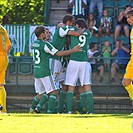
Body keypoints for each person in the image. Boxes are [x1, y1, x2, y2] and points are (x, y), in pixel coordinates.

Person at [29, 26, 81, 114]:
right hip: (44, 71)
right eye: (45, 33)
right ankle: (49, 112)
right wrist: (73, 50)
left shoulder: (34, 43)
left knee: (40, 93)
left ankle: (32, 109)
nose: (47, 34)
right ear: (42, 34)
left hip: (36, 71)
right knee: (54, 91)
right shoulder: (45, 44)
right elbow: (58, 53)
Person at [64, 18, 94, 114]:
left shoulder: (73, 31)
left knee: (71, 86)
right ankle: (90, 111)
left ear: (77, 25)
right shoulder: (88, 33)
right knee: (87, 87)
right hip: (84, 62)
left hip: (74, 61)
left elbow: (73, 33)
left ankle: (69, 110)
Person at [0, 25, 12, 114]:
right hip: (4, 57)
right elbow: (8, 45)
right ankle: (3, 110)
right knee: (0, 85)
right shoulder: (2, 29)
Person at [122, 9, 133, 100]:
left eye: (129, 17)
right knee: (126, 82)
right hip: (132, 59)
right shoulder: (132, 29)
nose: (127, 20)